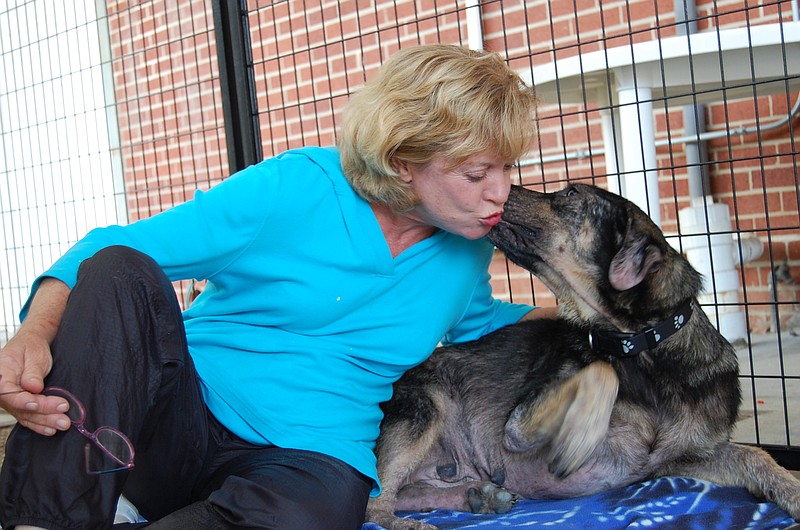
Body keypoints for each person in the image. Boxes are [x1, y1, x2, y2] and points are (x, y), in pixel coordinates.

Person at [0, 44, 554, 529]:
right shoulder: (294, 189)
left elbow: (480, 321)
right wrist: (33, 334)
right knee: (120, 268)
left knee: (318, 514)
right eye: (477, 175)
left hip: (308, 454)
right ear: (402, 161)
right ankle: (46, 523)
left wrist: (604, 320)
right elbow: (109, 250)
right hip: (178, 417)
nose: (501, 194)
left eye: (507, 169)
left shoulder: (469, 245)